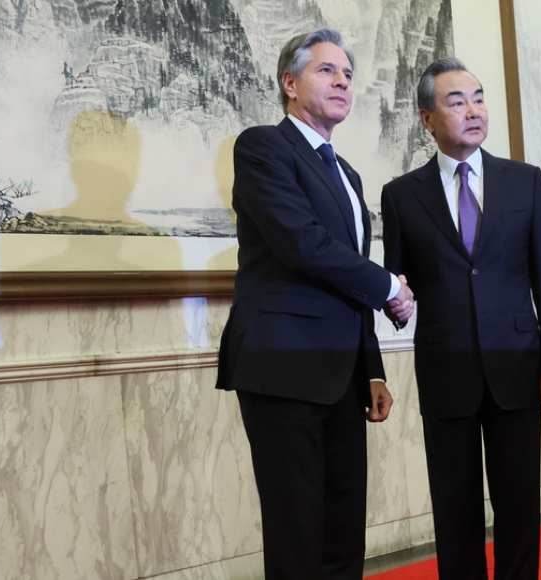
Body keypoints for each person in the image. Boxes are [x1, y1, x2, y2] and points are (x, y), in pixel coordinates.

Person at [214, 28, 413, 580]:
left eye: (348, 73)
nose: (343, 81)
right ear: (290, 83)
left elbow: (347, 276)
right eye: (327, 70)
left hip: (343, 374)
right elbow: (303, 245)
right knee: (297, 533)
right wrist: (390, 288)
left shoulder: (346, 174)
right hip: (283, 366)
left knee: (344, 531)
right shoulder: (261, 147)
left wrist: (371, 370)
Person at [380, 58, 541, 579]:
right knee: (454, 509)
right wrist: (395, 303)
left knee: (518, 504)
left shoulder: (524, 182)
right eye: (456, 101)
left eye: (479, 98)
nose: (473, 111)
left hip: (517, 365)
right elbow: (395, 282)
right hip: (446, 371)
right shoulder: (401, 195)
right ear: (427, 119)